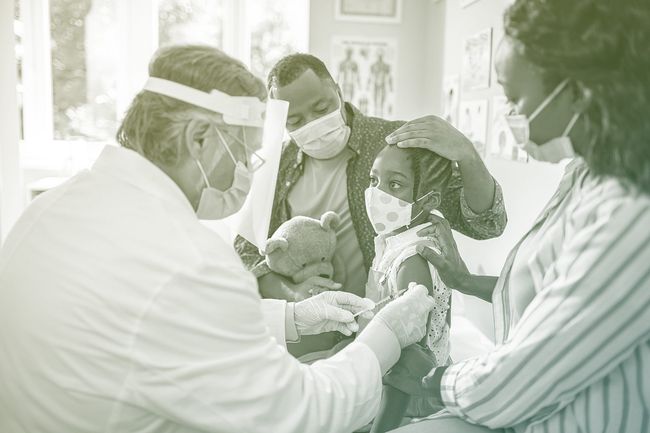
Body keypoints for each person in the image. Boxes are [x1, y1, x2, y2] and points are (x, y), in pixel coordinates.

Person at [0, 45, 438, 433]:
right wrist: (385, 335)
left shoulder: (52, 208)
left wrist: (292, 317)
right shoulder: (188, 259)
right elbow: (300, 415)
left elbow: (153, 326)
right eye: (245, 153)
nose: (247, 170)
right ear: (199, 138)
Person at [382, 0, 650, 431]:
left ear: (578, 89)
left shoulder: (633, 209)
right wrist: (466, 281)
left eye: (514, 97)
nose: (509, 112)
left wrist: (430, 382)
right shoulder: (584, 173)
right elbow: (557, 288)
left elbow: (524, 375)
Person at [235, 53, 507, 356]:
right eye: (295, 121)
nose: (311, 124)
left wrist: (467, 156)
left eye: (321, 108)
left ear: (337, 90)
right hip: (313, 334)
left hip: (384, 340)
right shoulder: (277, 165)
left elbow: (487, 224)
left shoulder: (395, 145)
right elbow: (246, 250)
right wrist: (294, 293)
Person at [363, 144, 454, 432]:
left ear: (428, 200)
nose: (378, 194)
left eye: (395, 184)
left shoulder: (413, 259)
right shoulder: (394, 239)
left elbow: (410, 363)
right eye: (374, 180)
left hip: (407, 398)